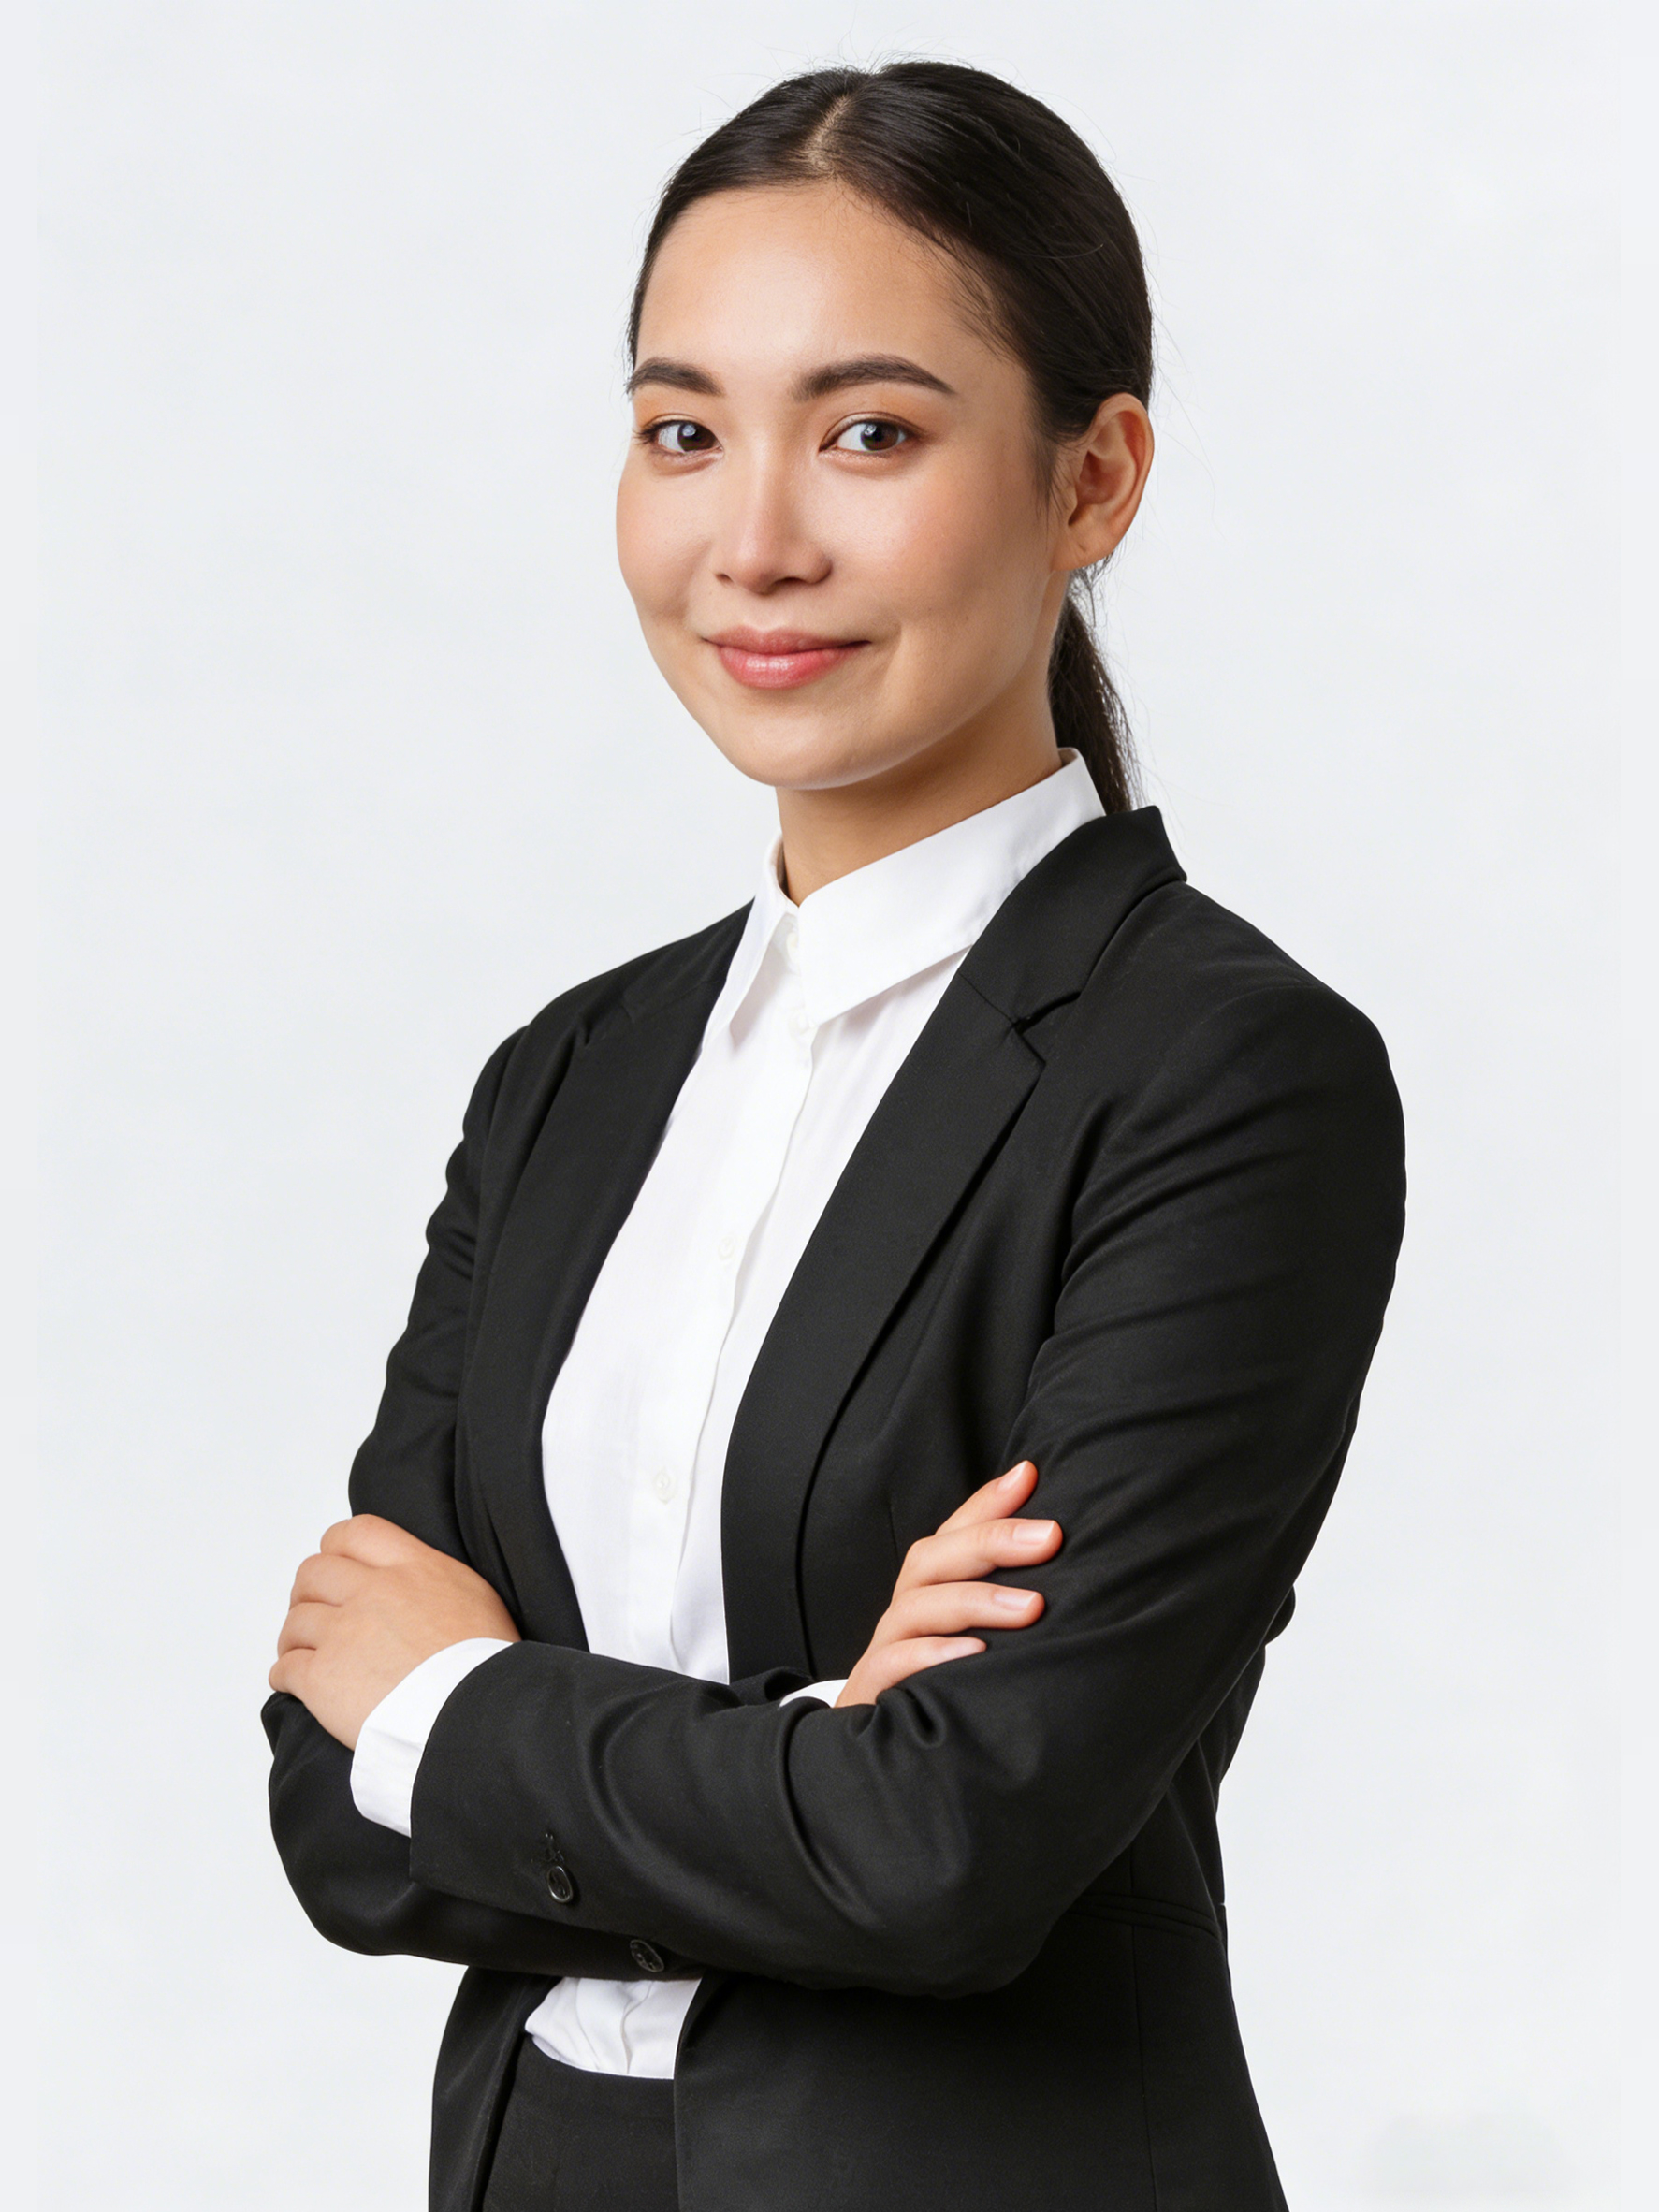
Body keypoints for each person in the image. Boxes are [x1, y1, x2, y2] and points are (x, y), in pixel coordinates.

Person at [263, 59, 1406, 2212]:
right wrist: (803, 1745)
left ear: (1091, 480)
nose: (754, 540)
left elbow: (948, 1846)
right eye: (681, 432)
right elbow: (331, 1800)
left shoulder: (1220, 1074)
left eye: (869, 432)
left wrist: (470, 1715)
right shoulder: (569, 1078)